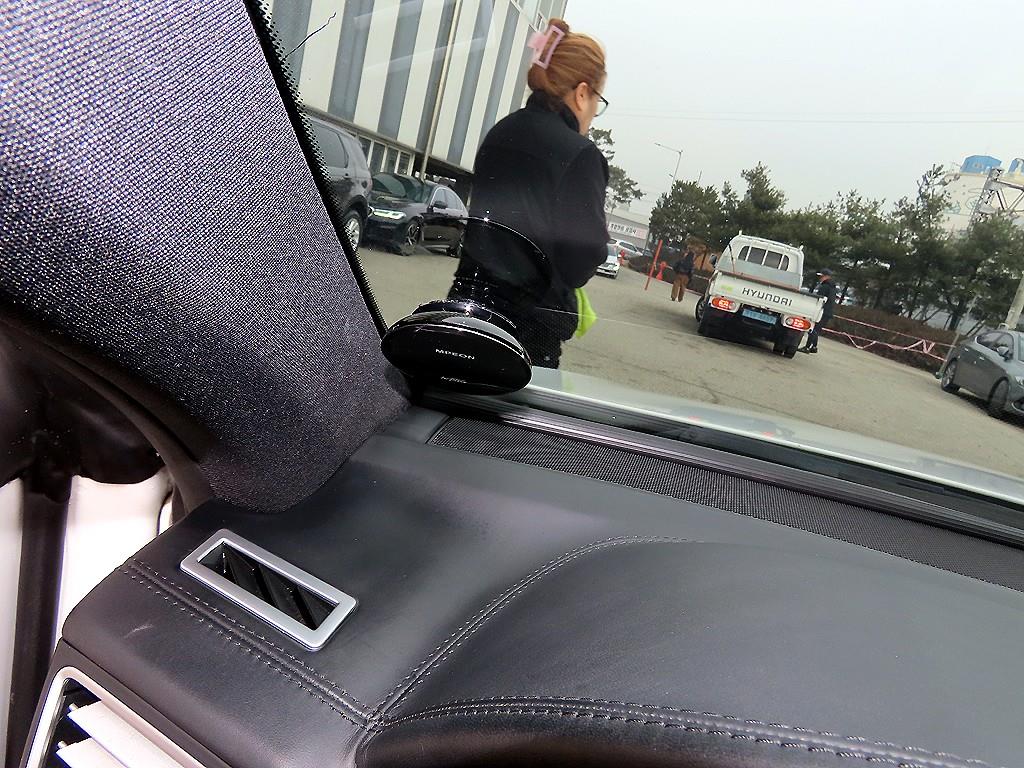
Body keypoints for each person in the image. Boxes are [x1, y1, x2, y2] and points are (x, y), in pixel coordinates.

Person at [448, 18, 609, 369]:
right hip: (527, 332)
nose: (595, 112)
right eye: (599, 99)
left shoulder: (500, 133)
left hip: (467, 309)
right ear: (582, 93)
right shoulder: (579, 155)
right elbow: (580, 262)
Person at [800, 268, 838, 353]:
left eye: (822, 276)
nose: (820, 278)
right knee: (816, 330)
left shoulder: (825, 287)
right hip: (828, 312)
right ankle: (814, 347)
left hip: (822, 311)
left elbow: (819, 298)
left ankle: (808, 347)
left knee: (813, 329)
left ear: (827, 276)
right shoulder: (832, 287)